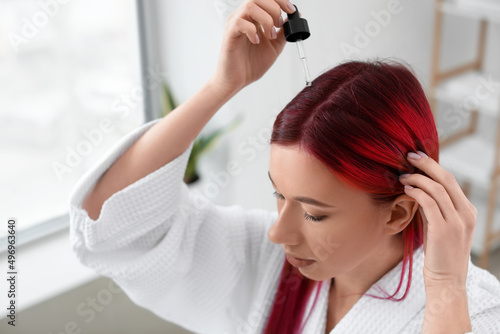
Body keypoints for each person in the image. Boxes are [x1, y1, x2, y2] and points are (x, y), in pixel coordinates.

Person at [68, 0, 500, 333]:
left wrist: (445, 285)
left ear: (399, 212)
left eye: (314, 212)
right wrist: (222, 86)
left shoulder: (472, 307)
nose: (279, 231)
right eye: (279, 194)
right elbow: (112, 225)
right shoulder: (268, 258)